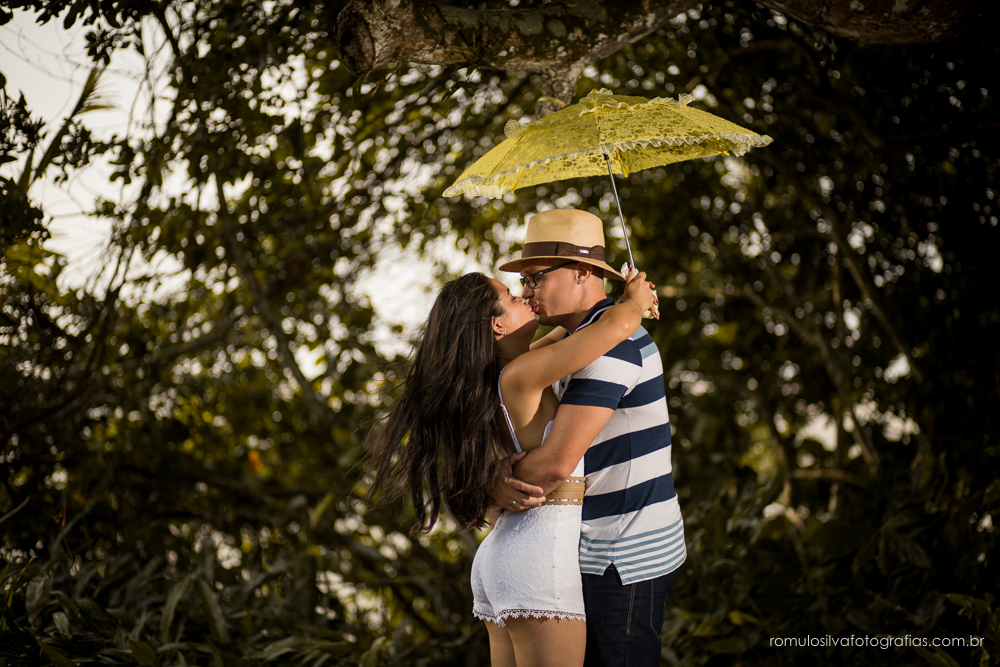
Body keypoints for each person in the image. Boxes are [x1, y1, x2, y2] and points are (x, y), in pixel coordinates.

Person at [364, 250, 657, 666]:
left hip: (503, 559)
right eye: (512, 296)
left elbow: (573, 335)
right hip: (540, 559)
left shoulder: (511, 371)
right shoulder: (524, 374)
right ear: (496, 325)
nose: (525, 295)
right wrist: (636, 298)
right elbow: (618, 325)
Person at [491, 208, 686, 667]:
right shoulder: (579, 338)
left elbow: (557, 463)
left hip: (622, 557)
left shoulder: (611, 345)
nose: (526, 291)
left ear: (581, 272)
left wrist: (494, 486)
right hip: (588, 550)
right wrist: (630, 302)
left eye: (536, 278)